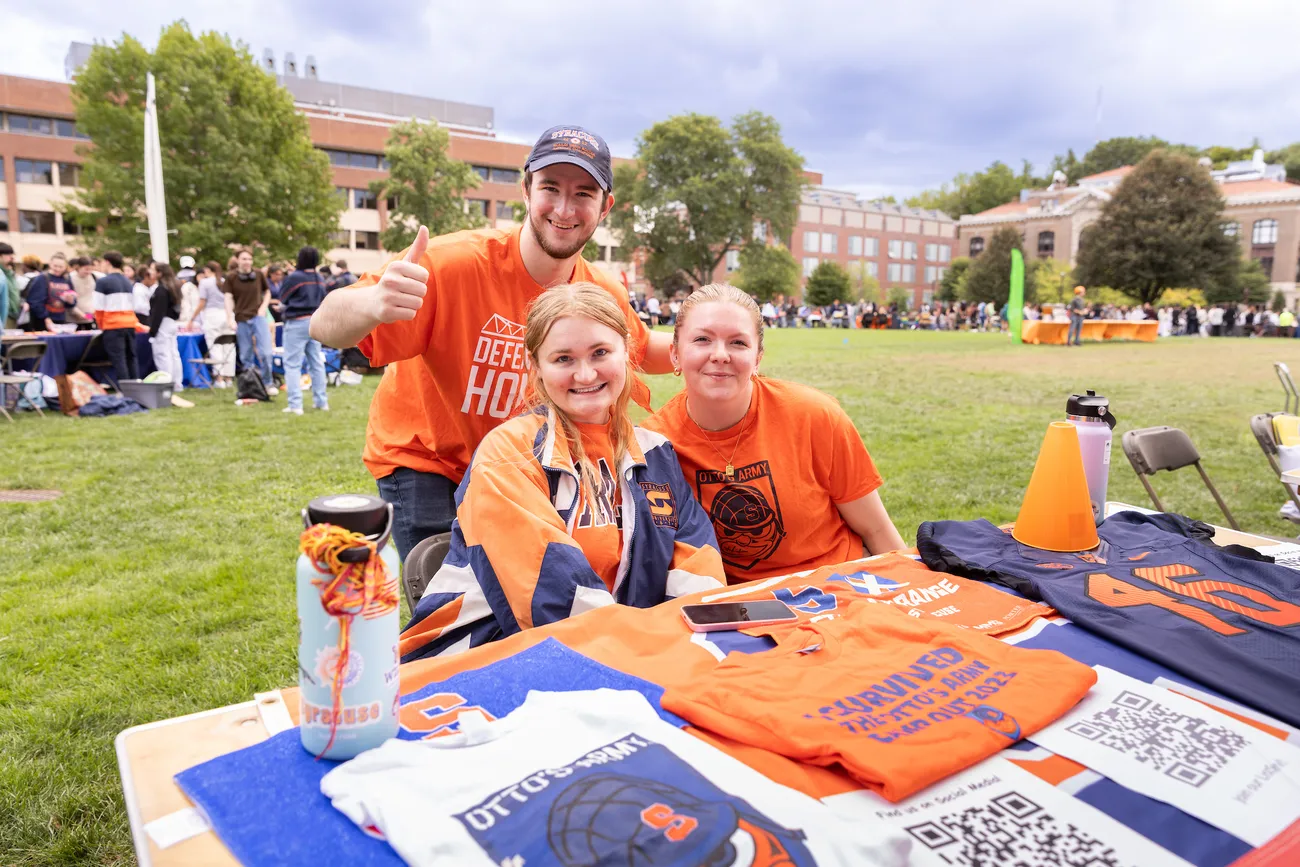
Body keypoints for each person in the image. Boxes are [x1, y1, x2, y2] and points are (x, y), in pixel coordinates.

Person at [310, 124, 672, 560]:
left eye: (583, 194)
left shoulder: (600, 291)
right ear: (525, 189)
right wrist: (373, 301)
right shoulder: (452, 264)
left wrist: (715, 343)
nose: (564, 208)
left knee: (519, 600)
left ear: (605, 206)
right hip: (429, 464)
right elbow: (324, 324)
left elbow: (642, 348)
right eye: (550, 188)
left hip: (521, 467)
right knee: (450, 606)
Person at [399, 282, 724, 660]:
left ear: (627, 353)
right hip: (480, 657)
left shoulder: (657, 455)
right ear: (535, 366)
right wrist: (651, 651)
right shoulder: (508, 455)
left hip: (627, 654)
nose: (585, 375)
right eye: (563, 359)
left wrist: (687, 645)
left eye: (600, 352)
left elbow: (697, 569)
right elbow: (552, 597)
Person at [642, 284, 905, 585]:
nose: (720, 355)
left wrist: (914, 598)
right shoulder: (655, 446)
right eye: (702, 339)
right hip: (739, 612)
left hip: (839, 587)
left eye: (738, 343)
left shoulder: (814, 415)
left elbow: (877, 530)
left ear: (757, 358)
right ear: (674, 354)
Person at [278, 246, 329, 415]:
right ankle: (321, 402)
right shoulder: (319, 278)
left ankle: (295, 405)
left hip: (296, 323)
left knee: (292, 364)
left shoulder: (295, 278)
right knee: (316, 363)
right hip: (314, 322)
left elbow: (283, 298)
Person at [223, 248, 277, 392]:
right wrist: (230, 317)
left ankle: (268, 383)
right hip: (241, 319)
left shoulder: (259, 275)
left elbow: (267, 292)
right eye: (244, 259)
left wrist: (263, 308)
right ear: (238, 260)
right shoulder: (231, 277)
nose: (247, 262)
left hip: (258, 317)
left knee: (266, 353)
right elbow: (228, 298)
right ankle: (250, 384)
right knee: (246, 355)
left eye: (249, 259)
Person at [185, 261, 236, 388]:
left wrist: (192, 318)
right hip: (227, 314)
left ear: (207, 270)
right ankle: (228, 378)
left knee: (215, 347)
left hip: (212, 315)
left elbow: (202, 302)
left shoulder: (205, 282)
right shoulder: (223, 281)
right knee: (229, 347)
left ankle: (219, 379)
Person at [93, 251, 140, 382]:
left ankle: (125, 389)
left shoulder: (103, 282)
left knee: (119, 359)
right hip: (129, 323)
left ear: (107, 262)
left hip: (113, 324)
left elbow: (98, 308)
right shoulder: (128, 282)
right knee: (131, 357)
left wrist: (102, 325)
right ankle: (136, 385)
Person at [149, 263, 185, 390]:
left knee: (162, 354)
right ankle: (176, 382)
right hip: (172, 322)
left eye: (153, 270)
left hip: (163, 323)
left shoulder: (162, 289)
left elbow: (158, 312)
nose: (150, 273)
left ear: (160, 273)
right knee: (173, 353)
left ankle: (166, 382)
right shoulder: (173, 286)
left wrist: (153, 331)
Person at [24, 253, 77, 332]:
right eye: (55, 266)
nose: (58, 269)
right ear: (50, 264)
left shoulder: (66, 279)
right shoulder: (42, 278)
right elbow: (35, 301)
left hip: (60, 319)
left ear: (65, 267)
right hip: (43, 321)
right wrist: (45, 317)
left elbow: (72, 301)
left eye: (61, 267)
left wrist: (71, 301)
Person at [67, 257, 98, 326]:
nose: (88, 272)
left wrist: (91, 316)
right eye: (86, 269)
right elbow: (69, 300)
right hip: (74, 318)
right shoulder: (70, 278)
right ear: (78, 267)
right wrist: (83, 315)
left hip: (90, 318)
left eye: (91, 269)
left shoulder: (93, 276)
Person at [0, 243, 15, 327]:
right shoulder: (2, 275)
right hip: (5, 317)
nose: (12, 257)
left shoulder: (9, 273)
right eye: (8, 254)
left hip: (12, 316)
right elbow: (4, 303)